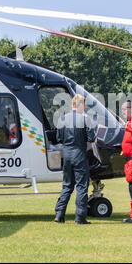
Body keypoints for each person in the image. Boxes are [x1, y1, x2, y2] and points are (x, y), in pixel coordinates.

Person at [54, 94, 96, 225]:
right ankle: (80, 217)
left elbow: (58, 138)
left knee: (67, 185)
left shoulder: (62, 119)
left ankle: (59, 215)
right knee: (82, 186)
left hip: (66, 154)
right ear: (81, 105)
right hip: (79, 154)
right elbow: (91, 138)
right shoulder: (85, 119)